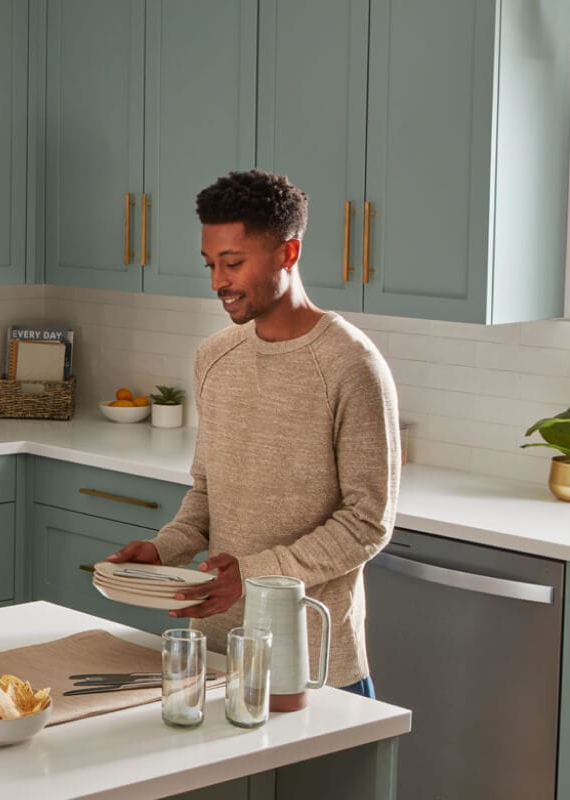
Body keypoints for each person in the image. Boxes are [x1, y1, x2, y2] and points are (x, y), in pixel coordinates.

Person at [108, 170, 400, 698]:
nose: (218, 280)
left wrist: (254, 574)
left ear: (287, 254)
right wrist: (164, 550)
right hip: (215, 652)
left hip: (311, 662)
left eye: (233, 263)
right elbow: (206, 494)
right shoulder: (214, 358)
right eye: (211, 264)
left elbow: (367, 523)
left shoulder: (351, 365)